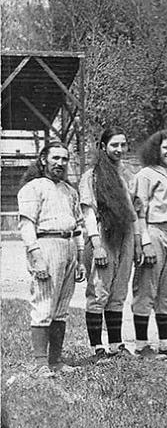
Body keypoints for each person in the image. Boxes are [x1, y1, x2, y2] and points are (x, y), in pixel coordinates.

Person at [18, 142, 87, 377]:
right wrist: (36, 256)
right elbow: (27, 225)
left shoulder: (70, 190)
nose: (60, 163)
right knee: (44, 304)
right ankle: (40, 363)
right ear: (43, 160)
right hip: (46, 244)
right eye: (55, 158)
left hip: (68, 245)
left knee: (61, 307)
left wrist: (80, 259)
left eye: (64, 159)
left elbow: (78, 226)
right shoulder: (32, 188)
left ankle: (56, 360)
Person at [131, 129, 167, 360]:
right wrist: (144, 242)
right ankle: (141, 344)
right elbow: (140, 212)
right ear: (156, 148)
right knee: (146, 288)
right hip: (154, 231)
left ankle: (165, 343)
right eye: (166, 147)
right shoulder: (145, 175)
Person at [79, 127, 137, 362]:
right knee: (99, 291)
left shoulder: (128, 174)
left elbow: (136, 209)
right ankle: (97, 348)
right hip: (103, 235)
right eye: (114, 145)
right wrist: (97, 244)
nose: (119, 150)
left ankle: (115, 344)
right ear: (103, 147)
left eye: (123, 145)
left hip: (125, 234)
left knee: (119, 290)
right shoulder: (91, 176)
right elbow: (88, 212)